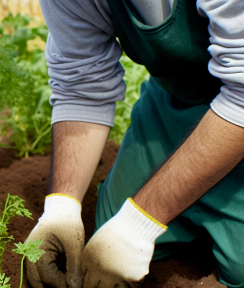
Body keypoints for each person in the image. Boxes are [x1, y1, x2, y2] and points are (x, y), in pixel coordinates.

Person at [25, 0, 244, 287]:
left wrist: (138, 224)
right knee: (102, 247)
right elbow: (82, 87)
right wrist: (61, 208)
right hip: (176, 105)